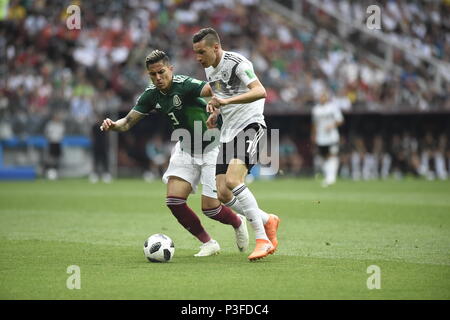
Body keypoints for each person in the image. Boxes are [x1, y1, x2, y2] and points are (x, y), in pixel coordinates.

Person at [100, 50, 248, 257]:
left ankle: (238, 221)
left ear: (170, 69)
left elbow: (211, 89)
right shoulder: (151, 94)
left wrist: (219, 102)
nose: (158, 78)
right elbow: (126, 123)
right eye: (153, 74)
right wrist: (113, 125)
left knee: (211, 208)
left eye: (161, 72)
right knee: (174, 201)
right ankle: (209, 242)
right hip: (185, 148)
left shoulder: (184, 84)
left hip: (212, 148)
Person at [192, 27, 280, 261]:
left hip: (251, 126)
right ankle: (267, 220)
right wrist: (216, 111)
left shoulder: (238, 62)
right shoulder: (210, 68)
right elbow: (222, 94)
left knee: (233, 180)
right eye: (196, 53)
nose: (198, 58)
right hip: (228, 132)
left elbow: (260, 91)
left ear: (216, 47)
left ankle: (262, 240)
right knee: (222, 192)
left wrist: (226, 100)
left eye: (202, 52)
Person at [311, 90, 344, 187]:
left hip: (332, 136)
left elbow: (340, 120)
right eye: (321, 96)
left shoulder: (333, 108)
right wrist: (313, 135)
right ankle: (328, 176)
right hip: (321, 138)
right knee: (323, 158)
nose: (322, 98)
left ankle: (331, 178)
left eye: (324, 96)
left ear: (327, 97)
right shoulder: (316, 109)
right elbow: (314, 124)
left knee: (332, 155)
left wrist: (332, 125)